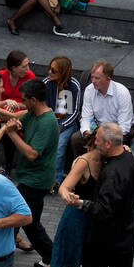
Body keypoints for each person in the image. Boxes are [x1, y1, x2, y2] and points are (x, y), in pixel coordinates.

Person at [54, 123, 134, 267]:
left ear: (108, 144)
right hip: (127, 232)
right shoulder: (128, 158)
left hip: (105, 236)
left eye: (98, 140)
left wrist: (80, 203)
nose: (94, 143)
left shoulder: (111, 173)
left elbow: (103, 210)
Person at [33, 128, 99, 267]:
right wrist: (66, 195)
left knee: (92, 255)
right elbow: (65, 186)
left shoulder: (111, 158)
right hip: (77, 215)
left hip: (96, 215)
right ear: (96, 143)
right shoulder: (83, 162)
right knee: (66, 254)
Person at [3, 78, 58, 262]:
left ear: (34, 100)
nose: (22, 104)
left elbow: (32, 154)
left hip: (36, 179)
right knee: (28, 220)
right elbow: (17, 121)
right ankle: (52, 257)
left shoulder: (46, 122)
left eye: (24, 100)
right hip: (30, 176)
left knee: (24, 219)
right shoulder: (33, 114)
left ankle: (53, 258)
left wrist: (11, 133)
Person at [44, 56, 82, 186]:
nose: (49, 72)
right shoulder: (46, 84)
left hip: (67, 122)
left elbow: (75, 112)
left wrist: (61, 127)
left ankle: (55, 181)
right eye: (49, 68)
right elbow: (41, 107)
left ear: (63, 72)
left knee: (59, 145)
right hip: (49, 121)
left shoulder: (74, 85)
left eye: (53, 70)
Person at [78, 60, 134, 142]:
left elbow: (124, 126)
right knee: (76, 139)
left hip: (120, 130)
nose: (93, 81)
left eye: (97, 78)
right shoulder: (89, 90)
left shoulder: (122, 92)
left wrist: (103, 137)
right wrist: (86, 132)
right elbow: (86, 117)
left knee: (106, 144)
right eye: (92, 77)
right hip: (99, 127)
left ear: (108, 79)